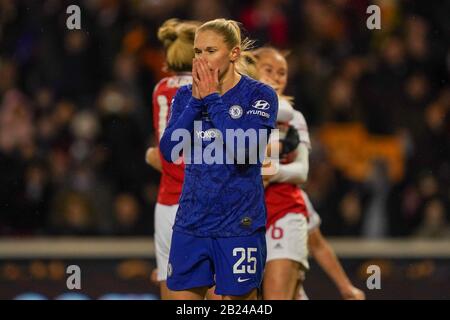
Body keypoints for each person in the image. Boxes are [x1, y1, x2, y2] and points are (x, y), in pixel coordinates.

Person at [159, 19, 278, 300]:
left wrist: (212, 99)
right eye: (197, 52)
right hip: (192, 222)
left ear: (234, 53)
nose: (201, 59)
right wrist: (196, 104)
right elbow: (169, 150)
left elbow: (245, 150)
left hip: (239, 226)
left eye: (210, 51)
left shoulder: (259, 96)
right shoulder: (186, 96)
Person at [255, 47, 365, 300]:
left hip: (283, 211)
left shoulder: (293, 118)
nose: (276, 77)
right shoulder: (235, 115)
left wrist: (272, 172)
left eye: (282, 72)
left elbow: (302, 171)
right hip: (245, 216)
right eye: (268, 70)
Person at [146, 18, 199, 300]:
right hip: (201, 203)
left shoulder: (159, 90)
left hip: (166, 204)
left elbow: (163, 152)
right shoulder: (208, 89)